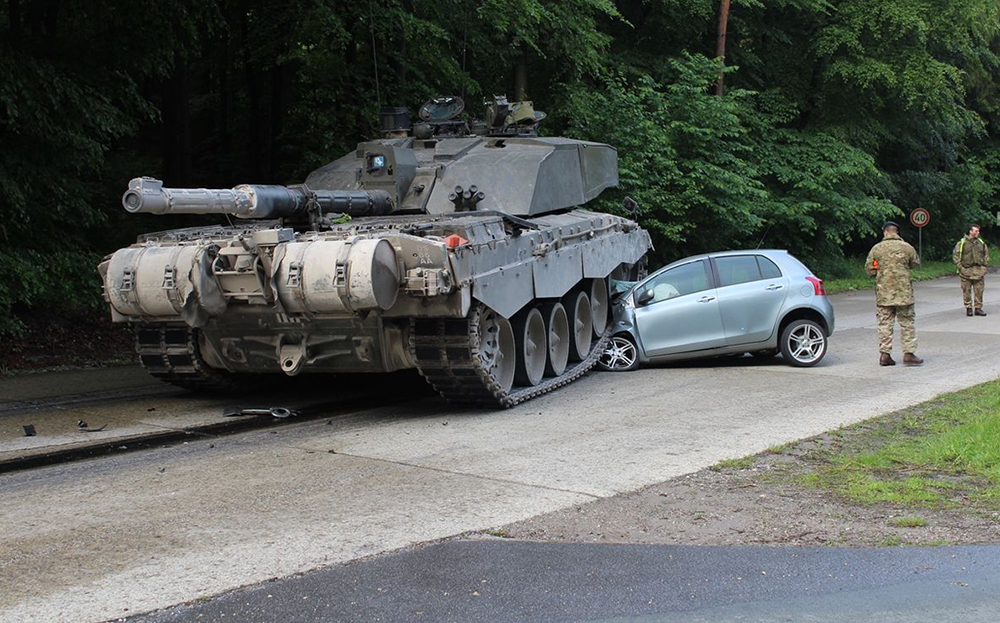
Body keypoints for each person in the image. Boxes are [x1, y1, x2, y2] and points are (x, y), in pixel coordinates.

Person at [865, 221, 924, 366]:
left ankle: (885, 355)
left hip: (884, 294)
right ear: (896, 232)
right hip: (904, 293)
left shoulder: (876, 249)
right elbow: (915, 263)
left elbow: (869, 270)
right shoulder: (907, 247)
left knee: (885, 324)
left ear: (885, 232)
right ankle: (909, 354)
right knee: (907, 323)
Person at [953, 224, 989, 316]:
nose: (978, 233)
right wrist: (961, 268)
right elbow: (956, 256)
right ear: (970, 231)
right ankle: (968, 308)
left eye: (978, 231)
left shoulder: (981, 242)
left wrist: (984, 267)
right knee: (966, 291)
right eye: (976, 231)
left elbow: (986, 255)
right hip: (966, 271)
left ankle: (978, 308)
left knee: (979, 291)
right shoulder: (962, 243)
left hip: (979, 271)